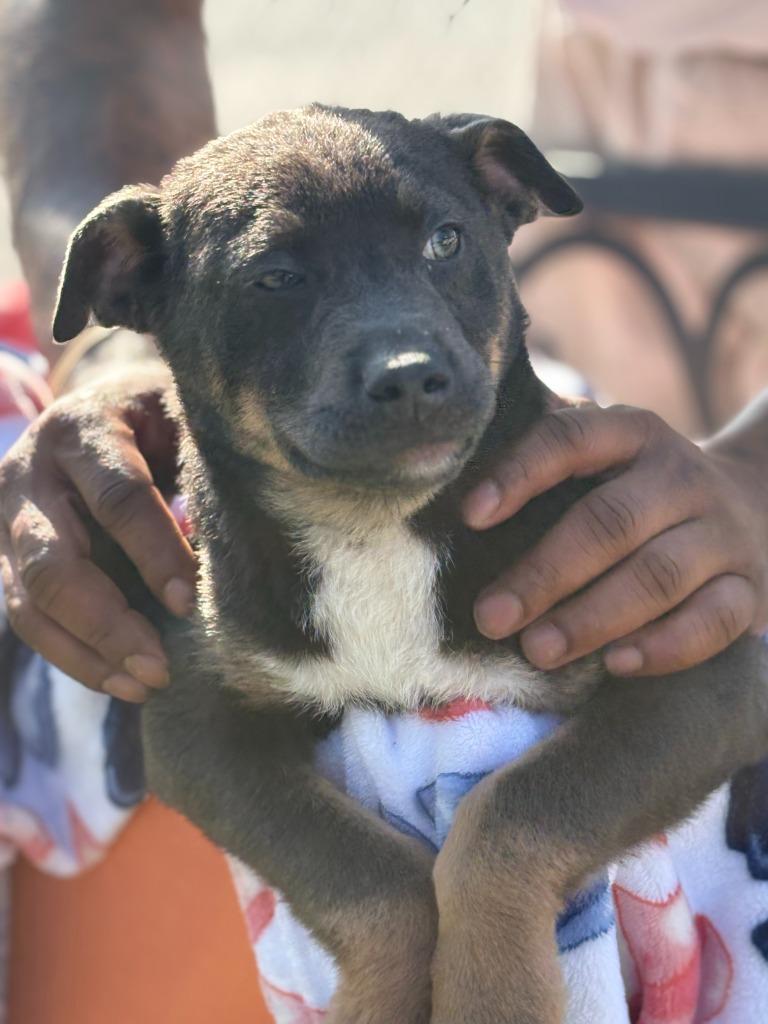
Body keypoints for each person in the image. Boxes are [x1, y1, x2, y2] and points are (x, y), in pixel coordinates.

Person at [1, 1, 768, 1021]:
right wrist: (111, 352)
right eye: (278, 278)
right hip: (635, 244)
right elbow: (104, 22)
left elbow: (717, 685)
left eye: (442, 241)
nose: (405, 359)